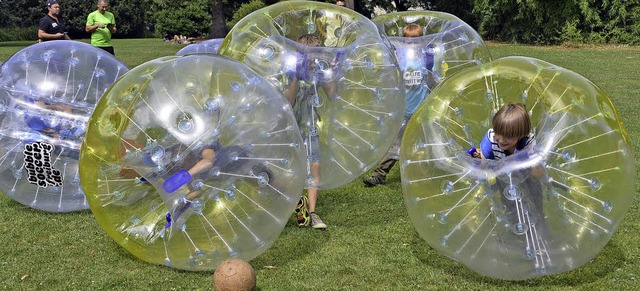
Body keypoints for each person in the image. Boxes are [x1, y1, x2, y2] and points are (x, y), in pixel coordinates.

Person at [363, 23, 432, 187]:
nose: (412, 44)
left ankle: (423, 175)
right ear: (403, 42)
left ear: (421, 41)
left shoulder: (426, 59)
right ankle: (379, 174)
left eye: (416, 41)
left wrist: (431, 70)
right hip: (405, 108)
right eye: (408, 41)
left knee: (424, 143)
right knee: (396, 144)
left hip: (421, 109)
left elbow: (430, 81)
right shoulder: (400, 60)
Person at [286, 34, 340, 229]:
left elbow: (333, 95)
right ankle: (292, 203)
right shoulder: (289, 71)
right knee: (287, 169)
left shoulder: (318, 71)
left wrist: (333, 74)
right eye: (311, 52)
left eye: (318, 51)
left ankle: (313, 212)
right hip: (289, 127)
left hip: (309, 124)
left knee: (314, 165)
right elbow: (289, 101)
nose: (314, 56)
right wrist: (295, 76)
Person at [471, 103, 535, 160]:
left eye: (508, 136)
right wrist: (482, 156)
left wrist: (528, 162)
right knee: (481, 156)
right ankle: (479, 153)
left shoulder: (528, 142)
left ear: (521, 134)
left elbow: (538, 172)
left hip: (519, 158)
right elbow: (485, 168)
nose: (501, 140)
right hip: (495, 157)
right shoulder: (491, 139)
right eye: (497, 132)